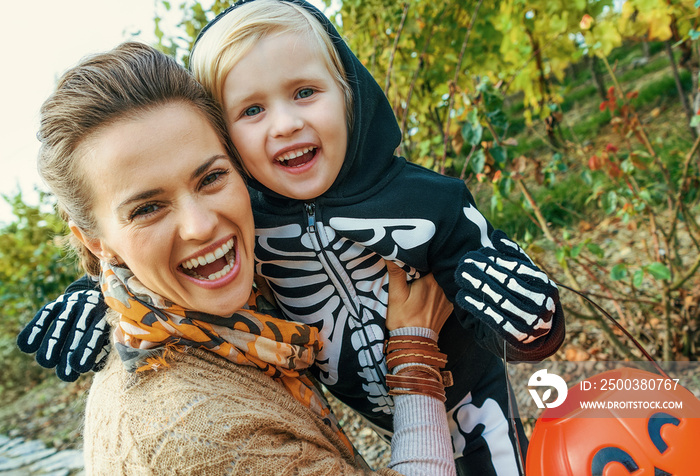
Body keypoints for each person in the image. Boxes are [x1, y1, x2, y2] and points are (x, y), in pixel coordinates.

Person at [18, 1, 566, 474]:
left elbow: (495, 294)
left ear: (350, 94)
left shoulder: (427, 201)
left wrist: (533, 325)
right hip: (403, 404)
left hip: (474, 405)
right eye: (252, 110)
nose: (283, 125)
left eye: (305, 92)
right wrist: (104, 296)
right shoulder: (196, 430)